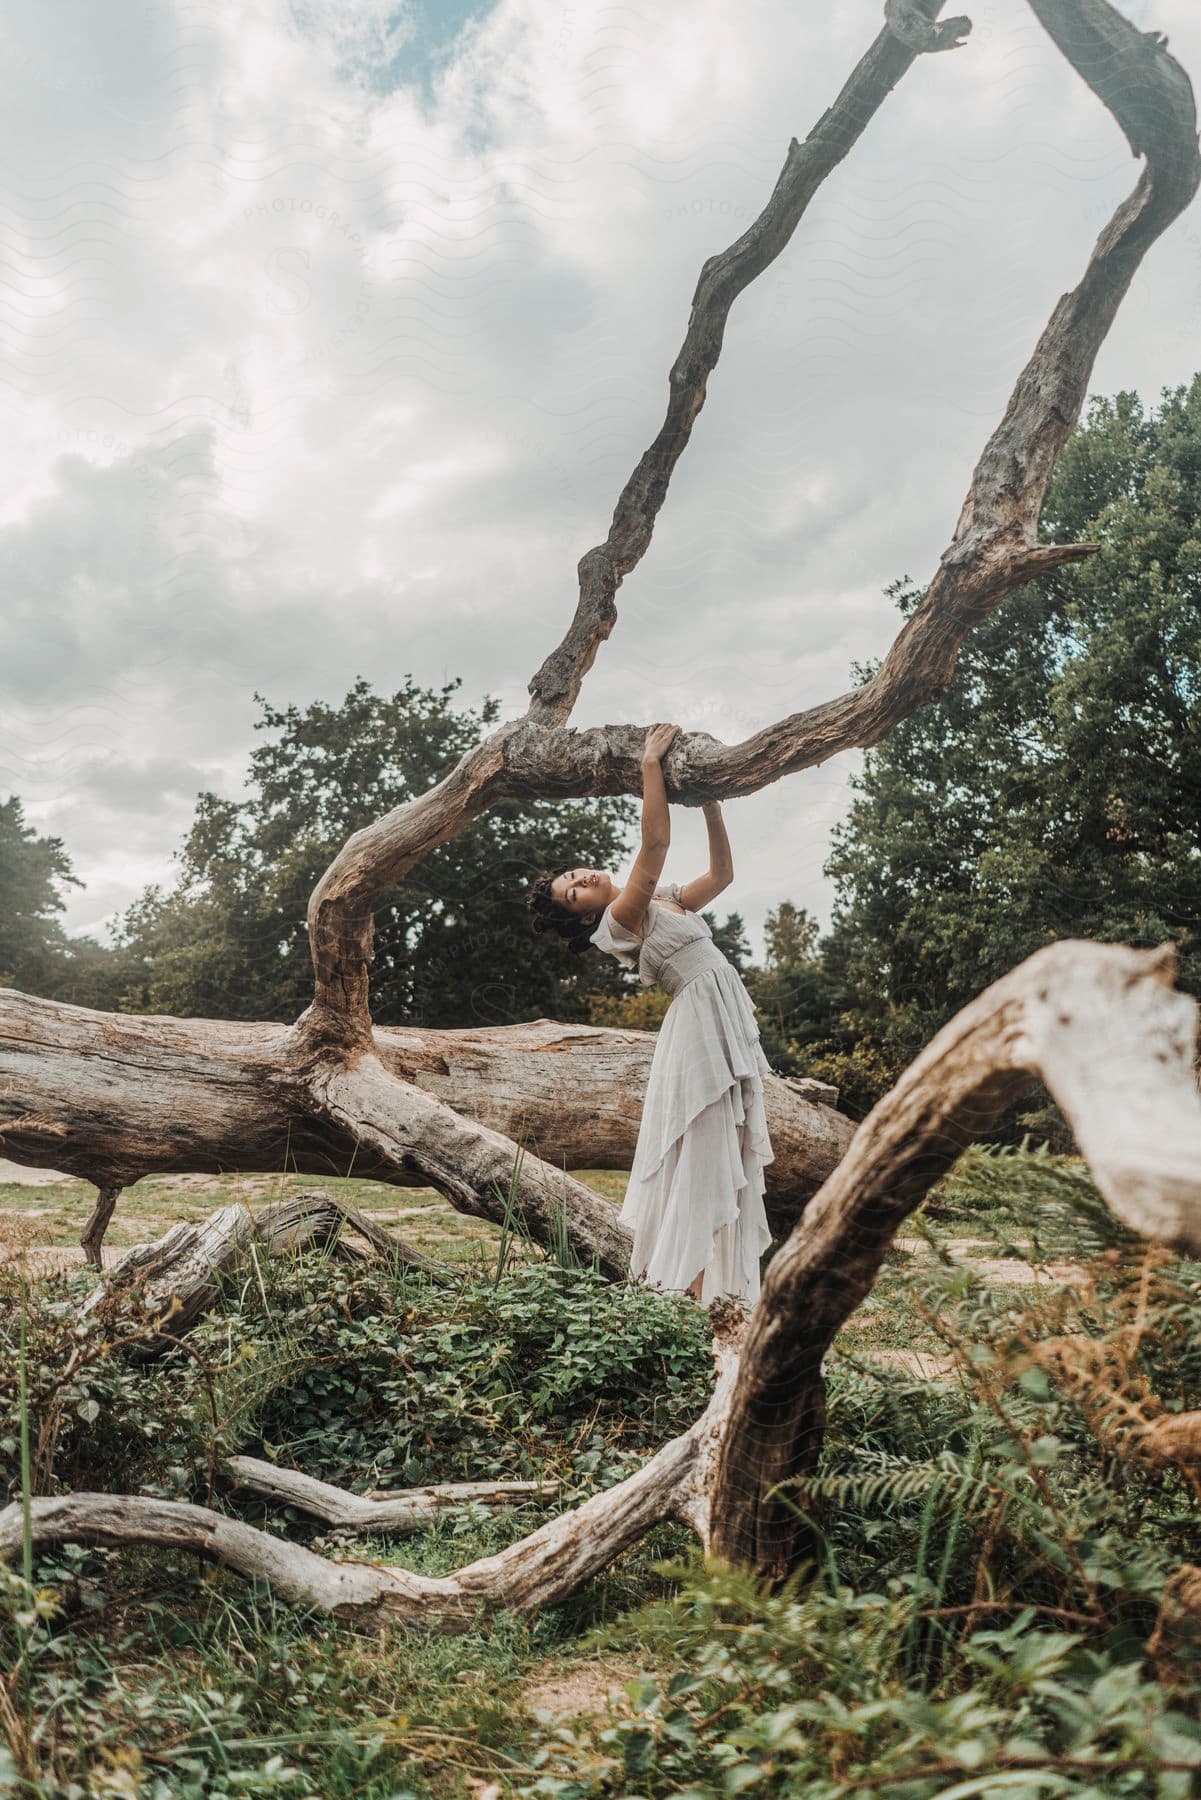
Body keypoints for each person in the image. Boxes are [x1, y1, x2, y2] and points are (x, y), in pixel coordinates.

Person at [526, 722, 774, 1309]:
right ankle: (684, 1296)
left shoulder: (658, 903)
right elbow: (655, 847)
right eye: (573, 894)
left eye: (574, 876)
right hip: (697, 1026)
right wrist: (649, 766)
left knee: (725, 1150)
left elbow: (721, 878)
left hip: (717, 1013)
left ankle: (716, 1295)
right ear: (583, 918)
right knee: (703, 1152)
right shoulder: (619, 922)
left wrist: (712, 804)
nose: (583, 880)